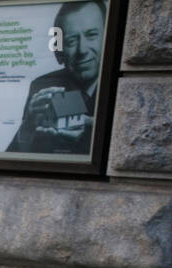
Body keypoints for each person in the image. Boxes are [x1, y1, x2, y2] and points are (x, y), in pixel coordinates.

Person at [7, 0, 104, 154]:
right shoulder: (42, 87)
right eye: (71, 41)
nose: (82, 50)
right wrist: (27, 128)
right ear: (60, 51)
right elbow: (13, 158)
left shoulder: (123, 87)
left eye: (91, 35)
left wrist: (95, 129)